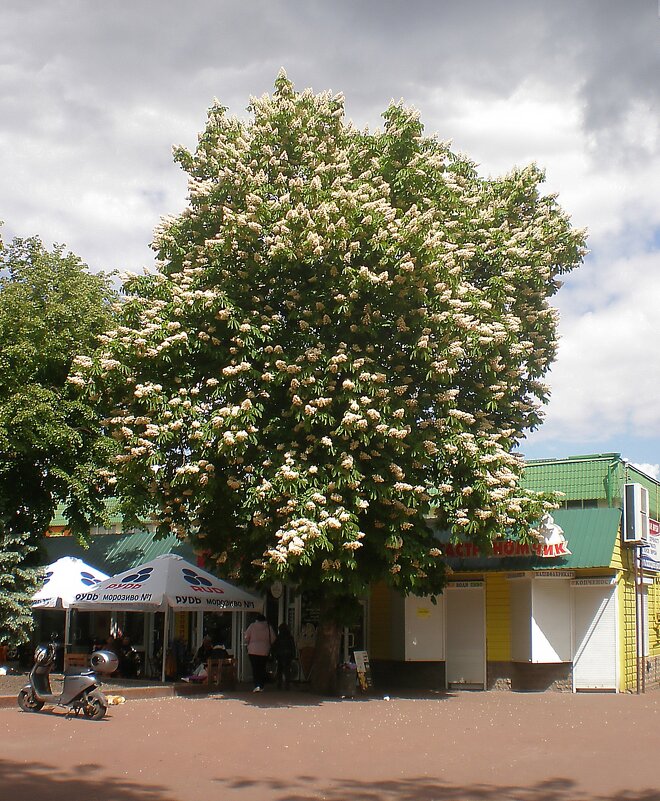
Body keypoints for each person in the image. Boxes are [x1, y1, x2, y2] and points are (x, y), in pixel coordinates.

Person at [243, 613, 275, 693]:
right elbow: (273, 638)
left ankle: (256, 685)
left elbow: (246, 637)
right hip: (264, 651)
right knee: (262, 668)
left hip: (253, 651)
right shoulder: (268, 627)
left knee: (255, 668)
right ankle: (261, 685)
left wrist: (248, 643)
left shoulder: (252, 626)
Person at [270, 622, 297, 690]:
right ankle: (287, 684)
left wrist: (273, 654)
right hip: (288, 655)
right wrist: (293, 655)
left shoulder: (279, 637)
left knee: (280, 669)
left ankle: (279, 683)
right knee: (287, 669)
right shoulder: (290, 637)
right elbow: (292, 647)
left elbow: (275, 646)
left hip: (280, 655)